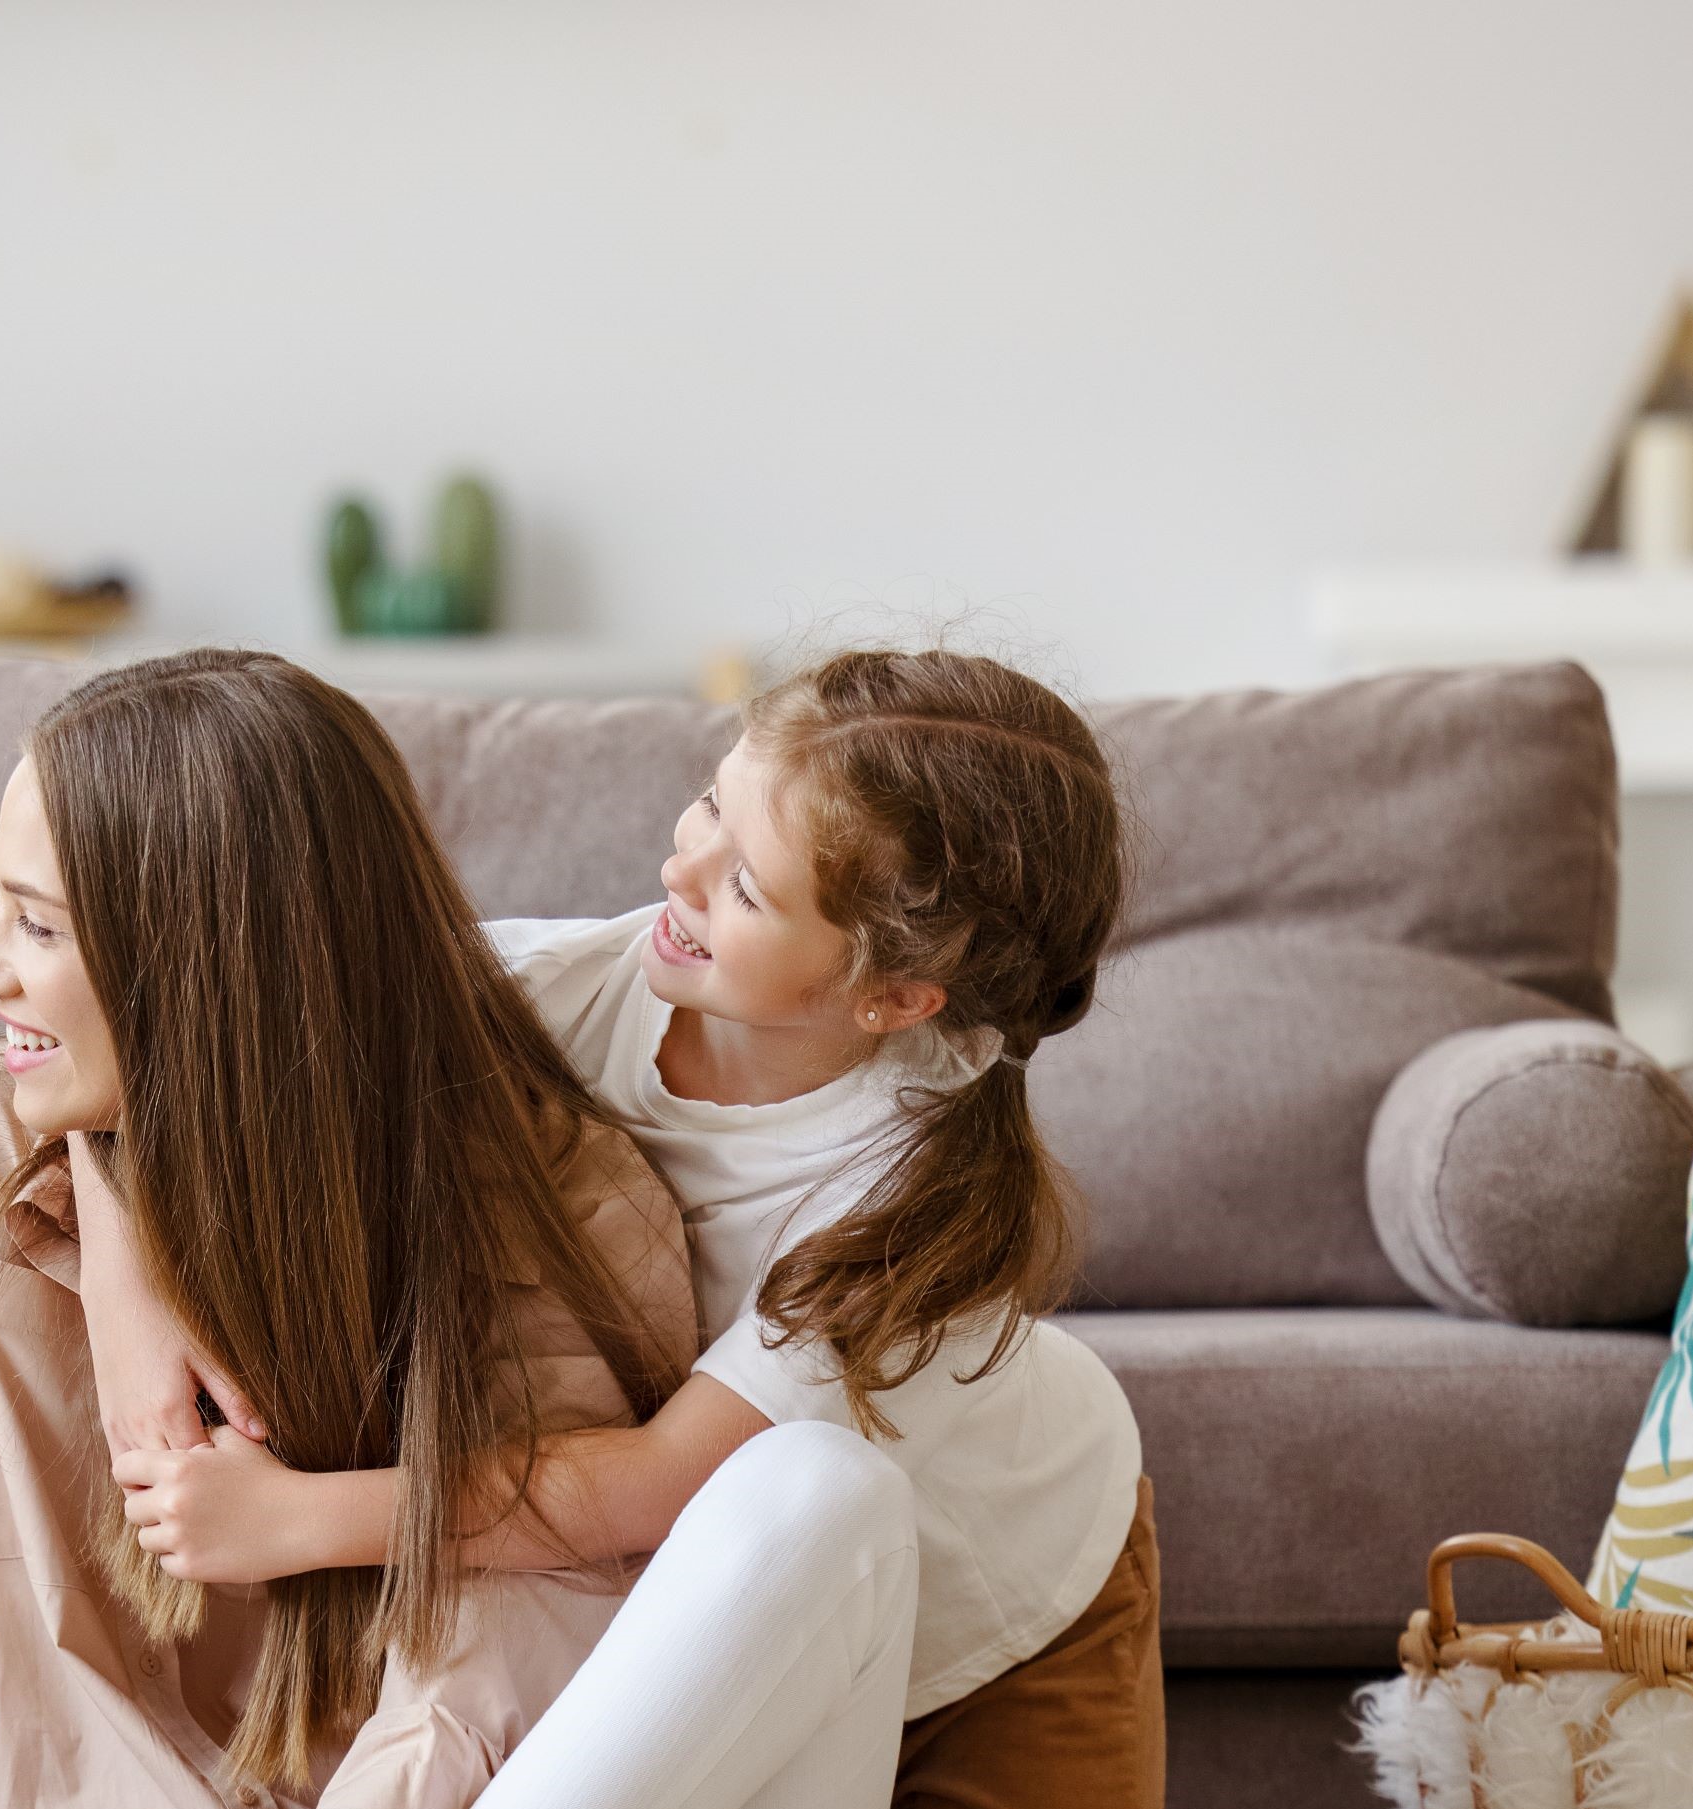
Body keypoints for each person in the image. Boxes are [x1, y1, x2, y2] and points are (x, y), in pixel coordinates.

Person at [99, 648, 1162, 1807]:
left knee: (813, 1486)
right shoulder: (550, 992)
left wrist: (299, 1520)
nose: (680, 865)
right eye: (710, 802)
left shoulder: (905, 1199)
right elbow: (131, 1060)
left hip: (1000, 1599)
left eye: (748, 889)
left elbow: (659, 1480)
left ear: (893, 998)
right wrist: (130, 1293)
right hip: (700, 1605)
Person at [0, 649, 701, 1809]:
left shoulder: (575, 1208)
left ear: (209, 965)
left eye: (39, 927)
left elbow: (514, 1673)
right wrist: (116, 1223)